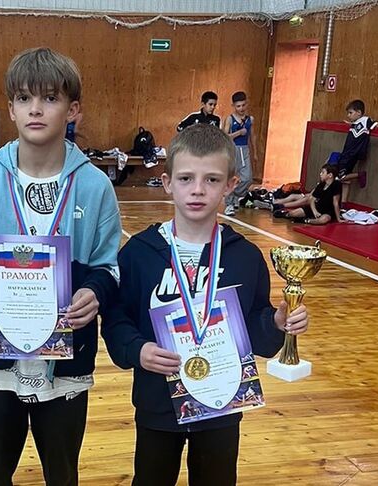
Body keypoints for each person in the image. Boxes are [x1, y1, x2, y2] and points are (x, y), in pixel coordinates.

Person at [101, 124, 309, 486]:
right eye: (186, 178)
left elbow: (256, 330)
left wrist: (275, 323)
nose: (197, 189)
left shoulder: (245, 257)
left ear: (230, 185)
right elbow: (117, 319)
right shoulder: (139, 254)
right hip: (157, 402)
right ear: (167, 182)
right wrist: (137, 350)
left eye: (212, 179)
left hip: (222, 403)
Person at [0, 47, 121, 486]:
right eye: (24, 98)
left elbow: (108, 265)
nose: (35, 109)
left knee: (62, 474)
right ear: (10, 108)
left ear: (73, 110)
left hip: (68, 359)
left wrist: (95, 293)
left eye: (50, 98)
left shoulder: (95, 185)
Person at [337, 99, 378, 203]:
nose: (348, 115)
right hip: (347, 153)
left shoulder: (366, 120)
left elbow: (377, 125)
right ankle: (343, 204)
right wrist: (350, 124)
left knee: (340, 177)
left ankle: (360, 175)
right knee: (345, 181)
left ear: (358, 112)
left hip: (352, 154)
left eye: (350, 113)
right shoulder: (354, 123)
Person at [273, 164, 342, 224]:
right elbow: (312, 200)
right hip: (317, 207)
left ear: (330, 175)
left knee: (323, 220)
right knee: (293, 213)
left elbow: (335, 202)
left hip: (328, 211)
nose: (320, 174)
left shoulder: (336, 184)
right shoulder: (321, 185)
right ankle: (285, 214)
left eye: (323, 172)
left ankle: (305, 220)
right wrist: (315, 211)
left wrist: (338, 219)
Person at [223, 91, 256, 216]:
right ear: (233, 106)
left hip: (245, 149)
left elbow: (252, 136)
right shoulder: (230, 119)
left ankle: (235, 195)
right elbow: (225, 136)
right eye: (238, 106)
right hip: (233, 149)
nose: (241, 108)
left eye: (243, 105)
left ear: (246, 104)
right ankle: (229, 204)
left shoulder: (250, 119)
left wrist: (255, 152)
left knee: (247, 178)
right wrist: (238, 133)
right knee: (231, 176)